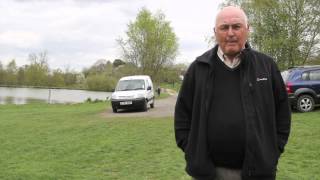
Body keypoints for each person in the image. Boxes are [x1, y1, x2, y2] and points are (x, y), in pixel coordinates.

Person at [174, 6, 291, 180]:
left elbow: (283, 113)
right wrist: (192, 150)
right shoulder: (198, 69)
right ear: (215, 32)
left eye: (236, 27)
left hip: (258, 171)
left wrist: (273, 149)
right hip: (210, 173)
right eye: (224, 27)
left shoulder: (266, 66)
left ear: (247, 29)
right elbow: (182, 116)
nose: (230, 33)